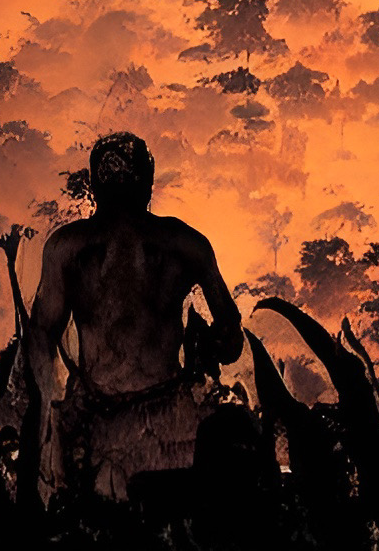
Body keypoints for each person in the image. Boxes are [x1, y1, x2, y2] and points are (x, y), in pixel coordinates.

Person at [27, 132, 244, 499]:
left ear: (94, 185)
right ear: (149, 182)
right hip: (161, 426)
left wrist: (44, 427)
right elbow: (231, 341)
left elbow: (40, 344)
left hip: (103, 425)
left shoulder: (67, 248)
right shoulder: (184, 244)